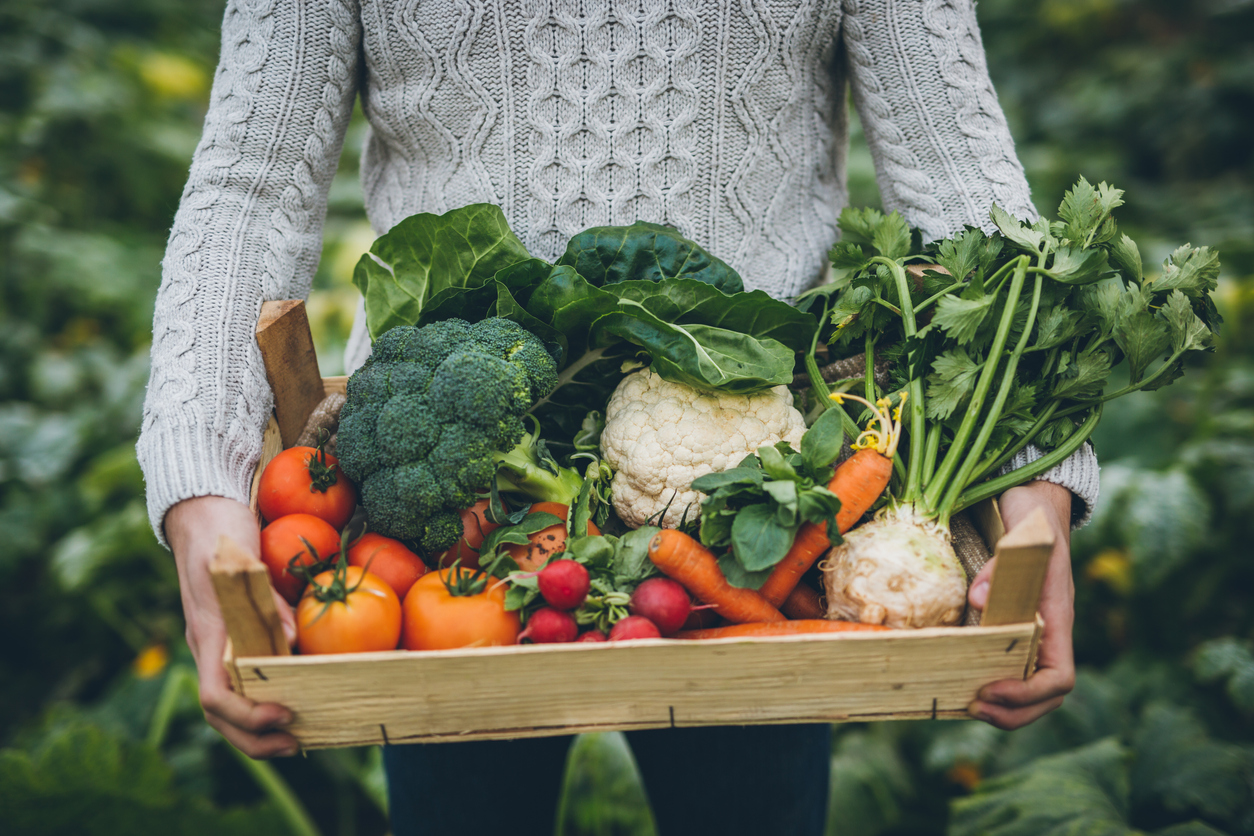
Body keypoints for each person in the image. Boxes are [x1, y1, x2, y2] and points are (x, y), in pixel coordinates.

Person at [140, 1, 1098, 833]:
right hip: (448, 517)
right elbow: (248, 186)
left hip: (764, 514)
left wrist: (1036, 481)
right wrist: (200, 483)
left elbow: (955, 163)